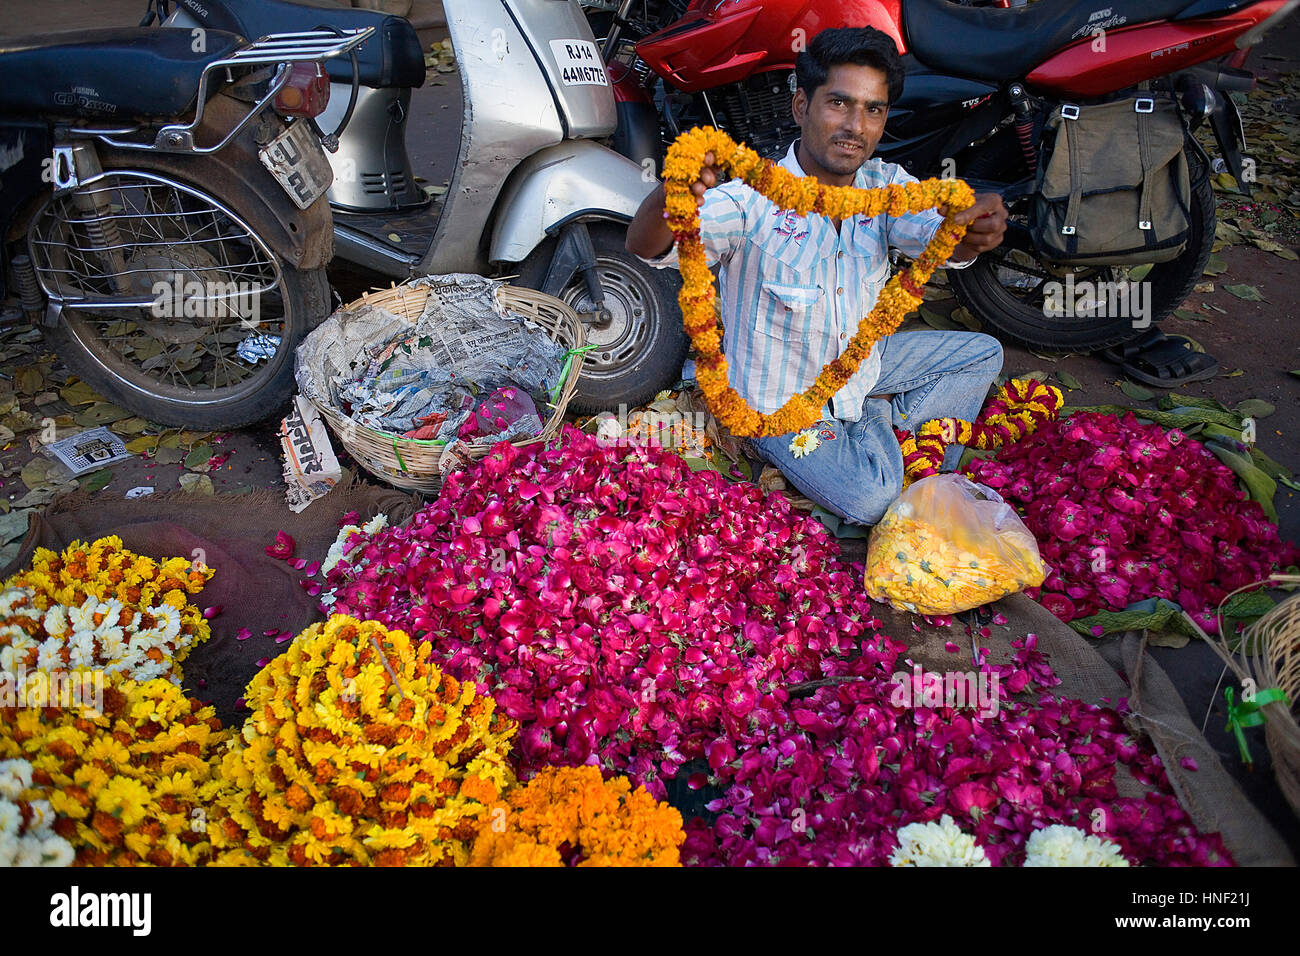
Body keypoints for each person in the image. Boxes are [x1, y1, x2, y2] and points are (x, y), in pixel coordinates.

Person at [626, 26, 1010, 526]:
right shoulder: (750, 200)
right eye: (839, 104)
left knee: (984, 353)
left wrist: (969, 229)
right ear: (800, 107)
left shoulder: (887, 186)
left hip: (864, 366)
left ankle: (874, 413)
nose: (856, 125)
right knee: (872, 497)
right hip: (780, 403)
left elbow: (936, 231)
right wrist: (673, 192)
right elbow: (646, 245)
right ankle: (876, 424)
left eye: (874, 109)